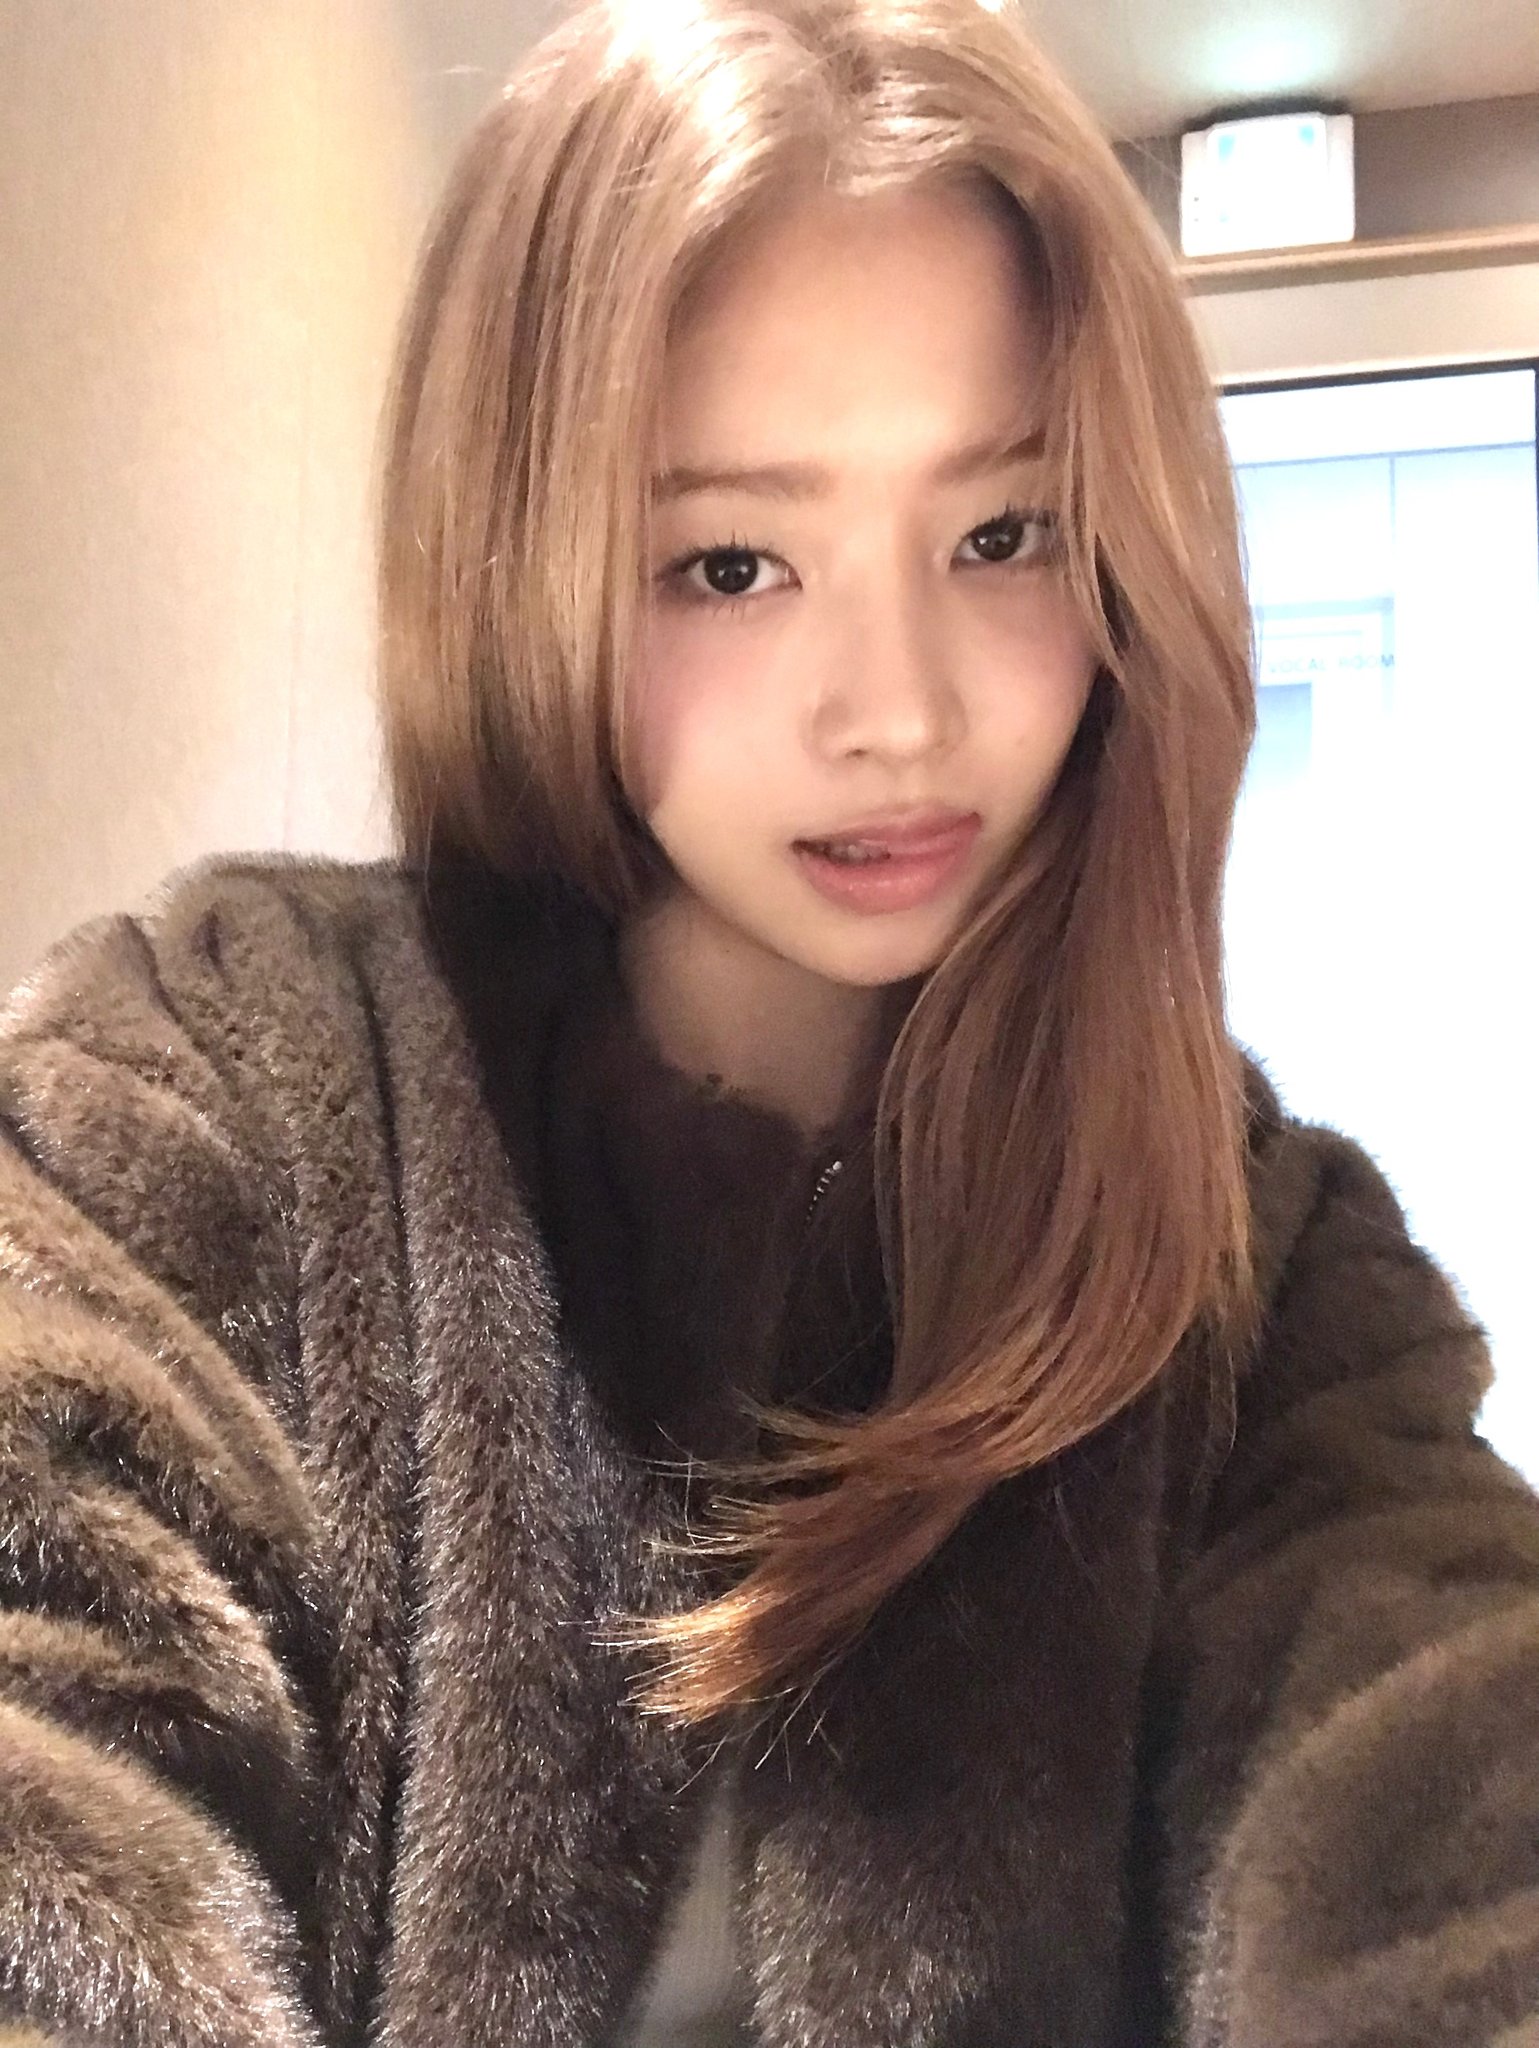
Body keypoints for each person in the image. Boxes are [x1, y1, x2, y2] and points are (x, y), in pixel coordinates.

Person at [1, 0, 1536, 2042]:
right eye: (729, 563)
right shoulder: (213, 1090)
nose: (896, 708)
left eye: (1000, 534)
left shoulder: (1255, 1277)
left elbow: (1434, 1780)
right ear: (524, 568)